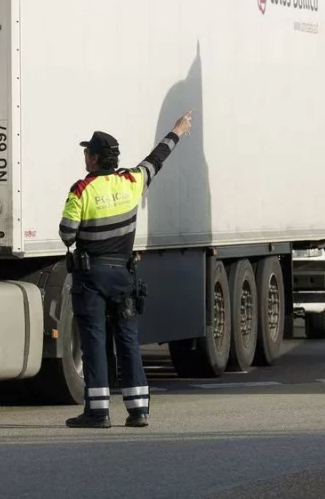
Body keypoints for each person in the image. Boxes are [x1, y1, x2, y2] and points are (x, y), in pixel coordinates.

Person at [59, 110, 193, 429]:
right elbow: (157, 158)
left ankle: (98, 412)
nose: (84, 157)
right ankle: (138, 410)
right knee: (128, 340)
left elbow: (66, 233)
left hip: (91, 279)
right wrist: (177, 130)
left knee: (94, 342)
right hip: (124, 277)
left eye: (86, 152)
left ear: (93, 159)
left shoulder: (81, 191)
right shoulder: (132, 181)